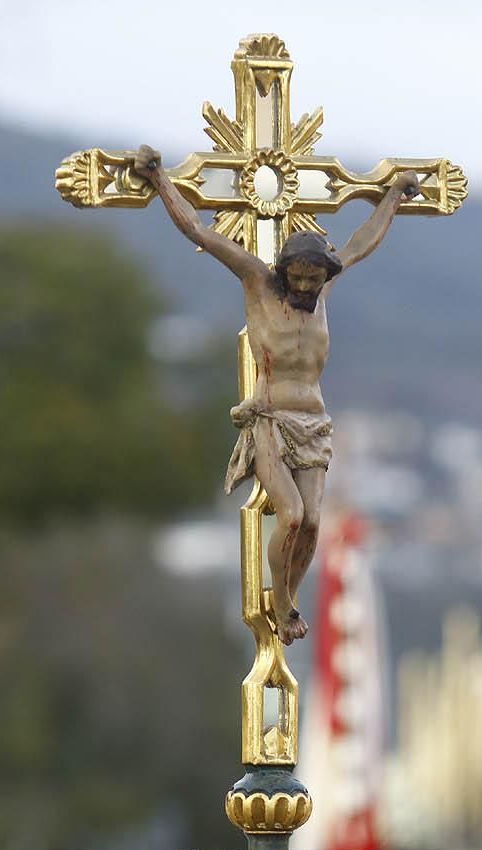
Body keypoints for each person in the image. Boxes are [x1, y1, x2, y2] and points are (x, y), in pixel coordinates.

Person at [130, 145, 420, 645]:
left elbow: (361, 242)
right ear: (283, 272)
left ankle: (290, 595)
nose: (306, 286)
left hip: (314, 423)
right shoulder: (257, 284)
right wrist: (158, 180)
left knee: (311, 523)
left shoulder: (323, 293)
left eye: (314, 278)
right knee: (289, 514)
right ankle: (280, 601)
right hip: (271, 418)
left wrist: (392, 196)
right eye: (299, 277)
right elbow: (200, 231)